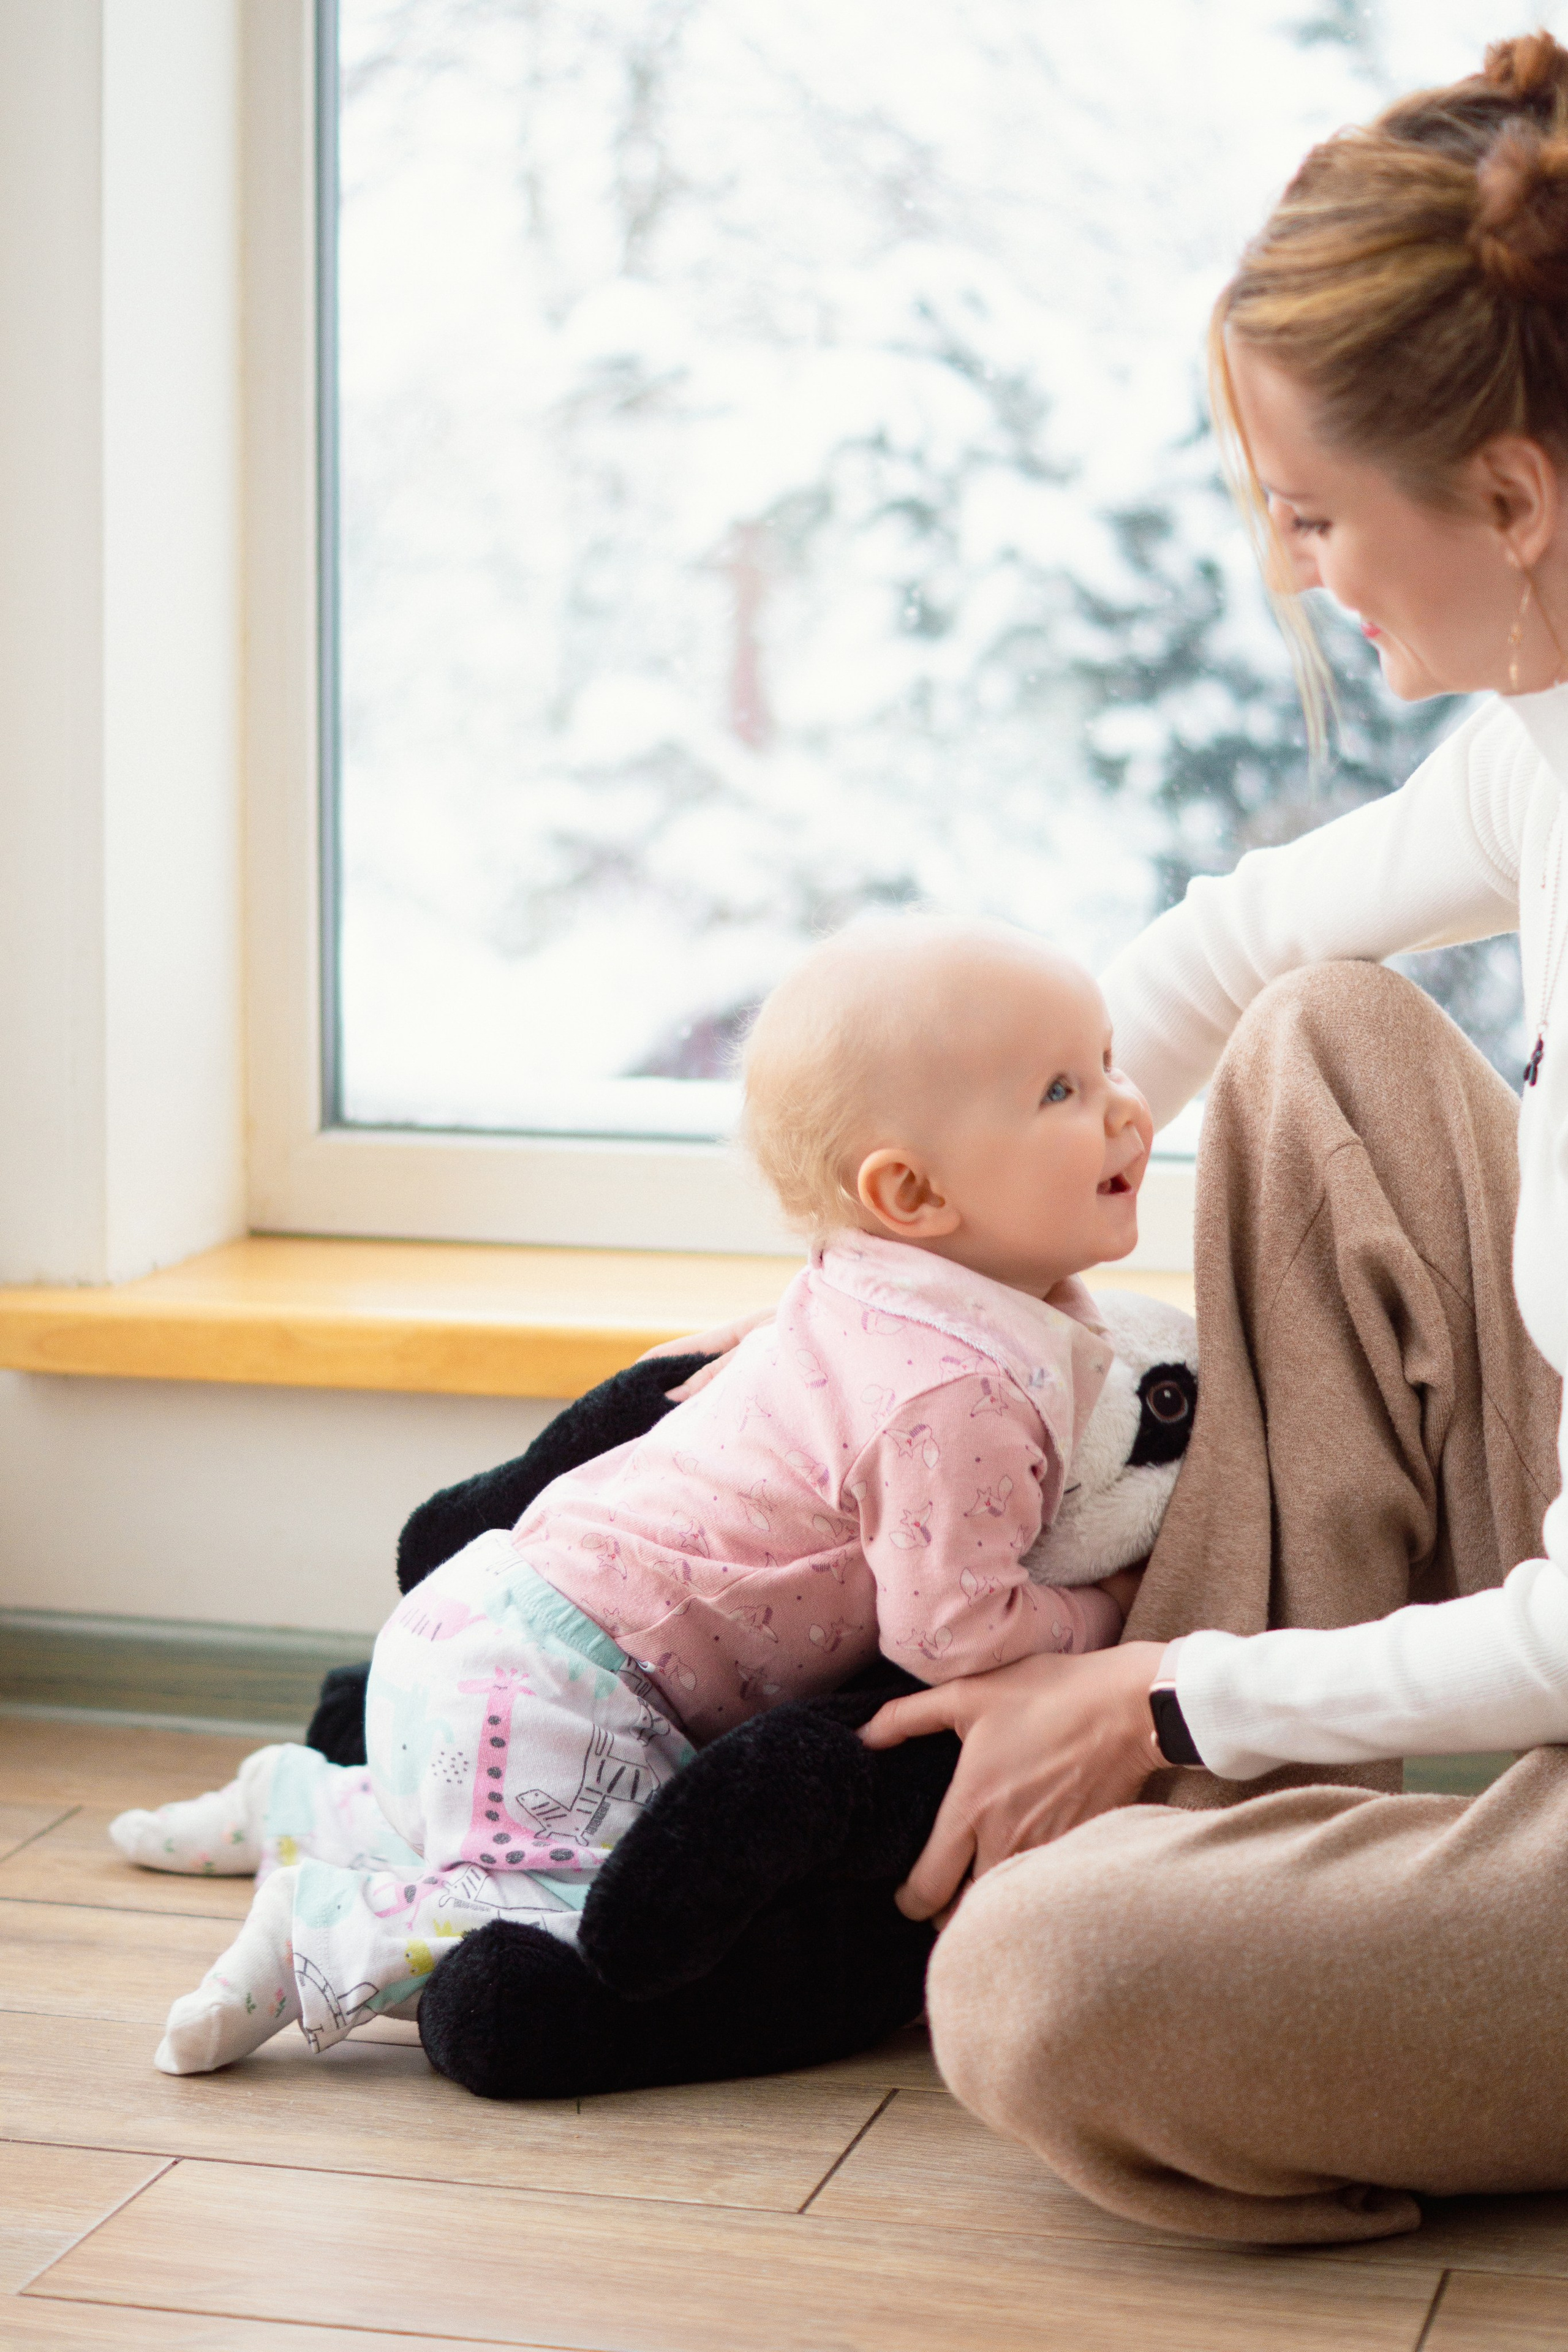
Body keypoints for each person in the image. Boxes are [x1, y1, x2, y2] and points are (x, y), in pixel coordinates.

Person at [837, 29, 1568, 2247]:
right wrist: (918, 1277)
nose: (1289, 568)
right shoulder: (1542, 735)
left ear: (1521, 503)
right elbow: (1231, 943)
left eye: (1316, 512)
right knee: (1323, 1041)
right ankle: (1220, 1804)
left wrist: (1164, 1695)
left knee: (1048, 1994)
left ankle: (1181, 1818)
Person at [111, 918, 1151, 2075]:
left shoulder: (874, 1284)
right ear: (908, 1191)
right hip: (566, 1687)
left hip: (490, 1618)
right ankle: (329, 1931)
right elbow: (950, 1630)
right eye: (1065, 1088)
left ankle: (308, 1804)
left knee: (486, 1815)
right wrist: (1105, 1616)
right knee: (606, 1905)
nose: (1126, 1109)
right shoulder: (953, 1393)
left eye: (1111, 1062)